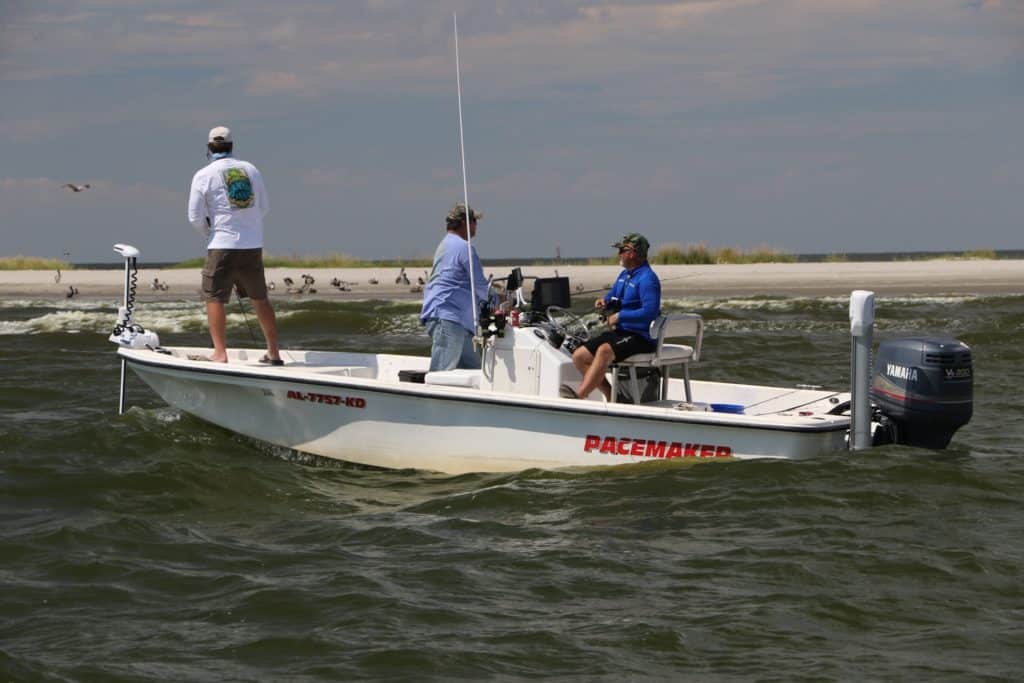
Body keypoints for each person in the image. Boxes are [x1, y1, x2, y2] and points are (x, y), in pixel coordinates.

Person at [187, 125, 282, 365]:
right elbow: (264, 207)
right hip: (252, 244)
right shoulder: (251, 169)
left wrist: (210, 233)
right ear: (232, 147)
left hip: (222, 244)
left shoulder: (203, 174)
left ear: (209, 148)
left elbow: (194, 217)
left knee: (215, 297)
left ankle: (220, 353)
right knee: (259, 297)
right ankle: (274, 353)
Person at [561, 233, 661, 400]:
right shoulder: (624, 275)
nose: (619, 254)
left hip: (641, 337)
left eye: (622, 250)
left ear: (632, 253)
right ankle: (612, 396)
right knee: (579, 356)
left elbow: (650, 312)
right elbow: (613, 296)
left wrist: (620, 316)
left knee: (604, 351)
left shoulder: (648, 279)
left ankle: (579, 396)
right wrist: (604, 302)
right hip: (621, 333)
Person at [420, 202, 491, 371]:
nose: (476, 226)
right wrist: (498, 299)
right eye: (475, 221)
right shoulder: (463, 248)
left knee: (474, 371)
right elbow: (480, 284)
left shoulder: (446, 244)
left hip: (458, 322)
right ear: (465, 222)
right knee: (441, 374)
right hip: (448, 318)